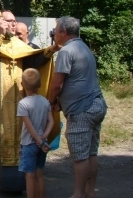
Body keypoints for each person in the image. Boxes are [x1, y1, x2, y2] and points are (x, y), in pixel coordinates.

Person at [0, 10, 61, 194]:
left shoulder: (17, 44)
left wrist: (49, 51)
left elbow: (33, 60)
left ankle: (14, 184)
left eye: (14, 21)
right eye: (8, 21)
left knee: (19, 140)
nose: (13, 24)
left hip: (18, 99)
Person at [48, 16, 107, 198]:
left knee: (80, 157)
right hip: (97, 105)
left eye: (56, 30)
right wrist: (61, 101)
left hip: (82, 110)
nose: (54, 33)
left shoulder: (66, 52)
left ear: (63, 32)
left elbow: (57, 84)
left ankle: (78, 194)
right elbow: (76, 80)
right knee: (91, 153)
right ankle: (90, 192)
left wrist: (50, 102)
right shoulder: (83, 47)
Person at [17, 68, 54, 198]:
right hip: (42, 144)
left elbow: (29, 127)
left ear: (22, 85)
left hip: (29, 144)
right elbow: (51, 122)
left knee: (30, 176)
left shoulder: (23, 104)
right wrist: (44, 138)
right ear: (40, 84)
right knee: (39, 174)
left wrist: (39, 140)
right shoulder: (45, 101)